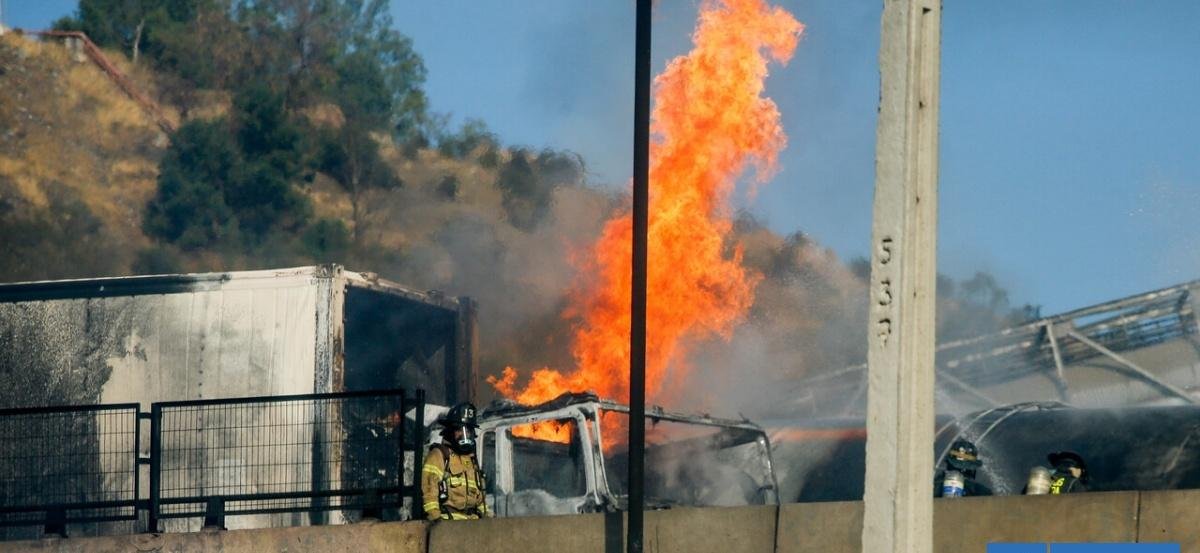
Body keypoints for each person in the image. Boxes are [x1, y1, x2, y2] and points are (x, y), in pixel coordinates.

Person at [421, 402, 491, 520]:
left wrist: (489, 520)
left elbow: (480, 501)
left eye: (468, 431)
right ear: (450, 431)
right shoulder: (439, 455)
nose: (464, 435)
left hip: (472, 526)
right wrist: (437, 521)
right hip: (449, 525)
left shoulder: (471, 461)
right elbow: (429, 494)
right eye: (459, 430)